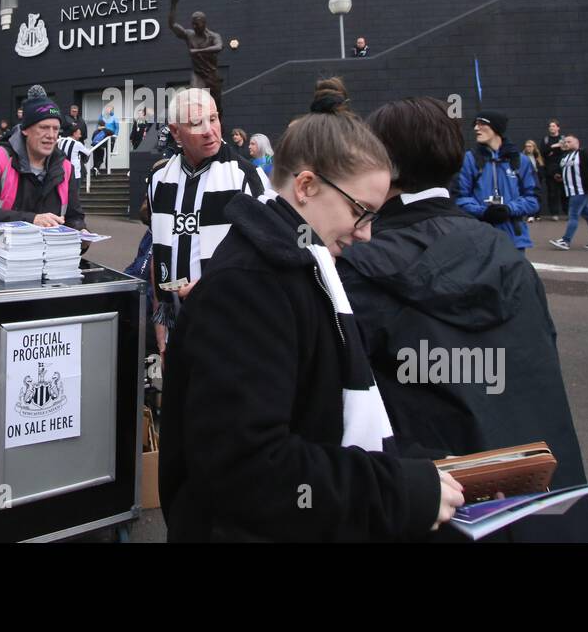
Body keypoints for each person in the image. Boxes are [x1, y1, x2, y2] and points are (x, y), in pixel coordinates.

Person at [159, 79, 464, 542]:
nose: (365, 234)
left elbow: (320, 423)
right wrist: (397, 489)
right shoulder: (251, 287)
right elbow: (249, 470)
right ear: (306, 186)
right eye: (361, 212)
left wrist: (425, 469)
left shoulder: (300, 268)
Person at [339, 97, 588, 541]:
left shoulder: (355, 265)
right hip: (537, 503)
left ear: (380, 163)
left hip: (432, 505)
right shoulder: (509, 257)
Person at [145, 88, 269, 358]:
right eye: (195, 124)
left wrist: (214, 283)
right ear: (176, 132)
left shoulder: (246, 176)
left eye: (213, 119)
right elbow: (158, 252)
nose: (209, 130)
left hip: (230, 324)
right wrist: (161, 333)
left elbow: (267, 256)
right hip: (175, 322)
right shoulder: (159, 180)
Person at [0, 85, 86, 250]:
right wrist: (31, 220)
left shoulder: (65, 168)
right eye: (43, 127)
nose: (51, 135)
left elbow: (74, 217)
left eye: (55, 129)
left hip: (41, 264)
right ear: (25, 129)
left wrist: (82, 232)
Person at [455, 111, 540, 251]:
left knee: (515, 273)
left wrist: (508, 209)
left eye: (481, 124)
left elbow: (534, 199)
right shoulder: (469, 160)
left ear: (496, 128)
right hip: (478, 238)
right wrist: (484, 212)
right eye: (475, 125)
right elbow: (459, 198)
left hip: (514, 239)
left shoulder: (520, 161)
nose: (476, 128)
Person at [548, 136, 588, 250]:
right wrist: (559, 175)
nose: (566, 144)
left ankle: (566, 240)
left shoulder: (583, 154)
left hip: (580, 190)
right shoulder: (565, 156)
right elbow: (558, 167)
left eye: (569, 142)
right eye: (565, 142)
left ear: (577, 142)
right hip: (571, 191)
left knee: (573, 215)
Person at [539, 120, 567, 220]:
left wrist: (552, 150)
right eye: (550, 126)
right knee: (552, 192)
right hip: (550, 169)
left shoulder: (563, 138)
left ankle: (567, 212)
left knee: (565, 192)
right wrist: (554, 146)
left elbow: (564, 149)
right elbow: (543, 152)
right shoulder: (546, 139)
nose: (551, 128)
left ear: (558, 128)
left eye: (553, 126)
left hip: (563, 168)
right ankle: (554, 213)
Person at [521, 139, 544, 220]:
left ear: (534, 147)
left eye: (530, 146)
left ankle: (537, 214)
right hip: (527, 179)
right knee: (528, 195)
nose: (528, 148)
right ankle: (530, 215)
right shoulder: (523, 157)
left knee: (538, 196)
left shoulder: (538, 157)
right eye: (526, 146)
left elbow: (541, 168)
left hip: (536, 178)